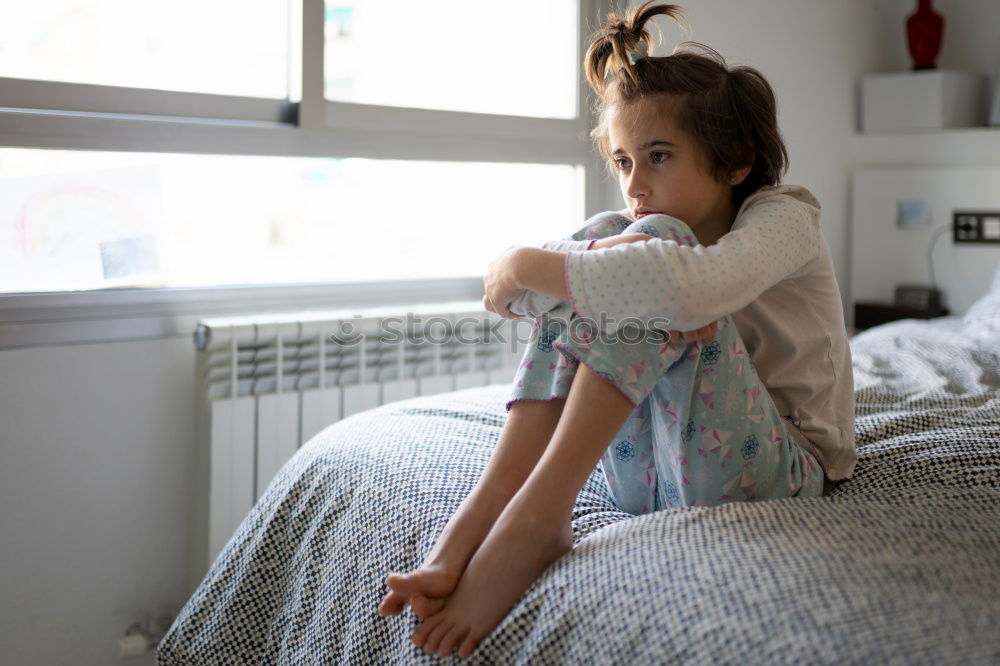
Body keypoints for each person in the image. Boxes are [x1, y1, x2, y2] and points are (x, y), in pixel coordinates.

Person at [377, 2, 857, 659]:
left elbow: (689, 290)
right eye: (625, 162)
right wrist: (552, 272)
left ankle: (540, 513)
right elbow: (536, 306)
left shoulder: (786, 218)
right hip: (649, 474)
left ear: (737, 161)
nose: (635, 183)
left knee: (649, 259)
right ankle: (483, 516)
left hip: (779, 468)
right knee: (612, 244)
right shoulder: (635, 230)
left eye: (658, 157)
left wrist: (524, 263)